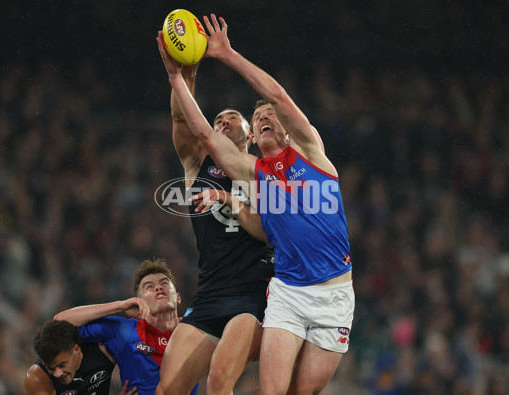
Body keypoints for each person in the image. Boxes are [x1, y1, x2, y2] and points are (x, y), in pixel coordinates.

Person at [157, 13, 355, 395]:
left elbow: (278, 96)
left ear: (286, 129)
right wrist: (176, 78)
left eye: (268, 116)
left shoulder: (312, 153)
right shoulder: (254, 174)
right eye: (257, 114)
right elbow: (200, 133)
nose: (264, 116)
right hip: (287, 293)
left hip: (335, 295)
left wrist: (229, 55)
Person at [153, 57, 275, 394]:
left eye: (233, 118)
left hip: (251, 298)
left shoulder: (261, 171)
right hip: (209, 295)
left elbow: (268, 232)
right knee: (167, 389)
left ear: (249, 135)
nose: (222, 121)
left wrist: (226, 199)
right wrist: (182, 77)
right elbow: (181, 117)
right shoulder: (198, 165)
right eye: (217, 118)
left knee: (219, 380)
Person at [51, 258, 198, 395]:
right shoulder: (124, 330)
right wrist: (119, 306)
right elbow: (60, 322)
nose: (158, 287)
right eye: (149, 286)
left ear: (178, 297)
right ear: (139, 300)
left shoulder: (195, 331)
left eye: (164, 283)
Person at [24, 319, 137, 395]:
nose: (57, 374)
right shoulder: (37, 378)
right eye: (51, 368)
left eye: (62, 365)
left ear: (76, 349)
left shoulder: (104, 352)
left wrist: (120, 305)